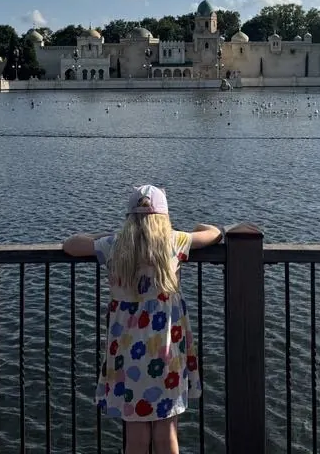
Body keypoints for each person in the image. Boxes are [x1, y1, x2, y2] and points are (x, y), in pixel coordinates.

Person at [62, 185, 223, 454]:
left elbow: (71, 244)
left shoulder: (114, 246)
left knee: (135, 435)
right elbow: (214, 234)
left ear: (129, 219)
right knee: (166, 431)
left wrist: (111, 235)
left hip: (126, 354)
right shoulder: (174, 241)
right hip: (166, 351)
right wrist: (199, 225)